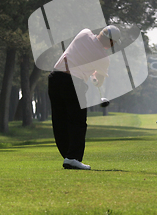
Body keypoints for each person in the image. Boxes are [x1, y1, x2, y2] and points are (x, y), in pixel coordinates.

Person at [48, 25, 121, 170]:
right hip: (74, 84)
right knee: (77, 122)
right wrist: (95, 77)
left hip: (55, 78)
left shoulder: (84, 33)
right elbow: (99, 81)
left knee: (60, 120)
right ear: (111, 42)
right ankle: (73, 158)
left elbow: (81, 54)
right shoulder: (104, 58)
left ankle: (67, 157)